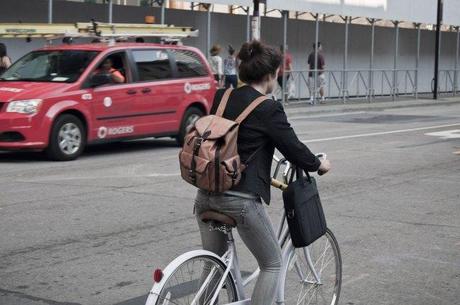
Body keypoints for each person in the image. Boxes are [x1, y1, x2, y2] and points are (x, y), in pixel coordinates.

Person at [194, 41, 331, 305]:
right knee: (273, 264)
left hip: (205, 196)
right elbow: (293, 148)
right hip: (239, 203)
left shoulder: (221, 97)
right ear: (270, 76)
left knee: (215, 264)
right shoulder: (268, 108)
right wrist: (318, 164)